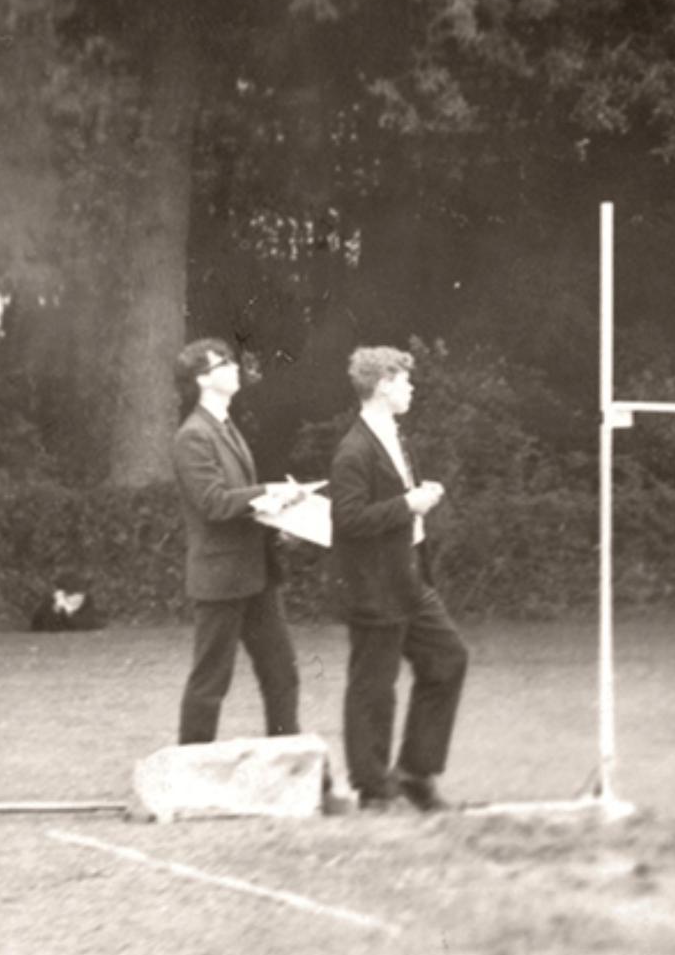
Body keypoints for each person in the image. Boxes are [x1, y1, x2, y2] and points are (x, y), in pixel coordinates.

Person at [329, 346, 468, 813]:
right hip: (373, 586)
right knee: (373, 685)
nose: (411, 388)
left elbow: (395, 500)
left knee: (448, 659)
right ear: (383, 384)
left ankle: (414, 772)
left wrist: (418, 497)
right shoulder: (354, 449)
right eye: (405, 381)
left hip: (409, 579)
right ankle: (372, 788)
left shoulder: (395, 436)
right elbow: (347, 520)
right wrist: (408, 505)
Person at [172, 338, 307, 745]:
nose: (235, 368)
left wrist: (279, 517)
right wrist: (269, 492)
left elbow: (241, 503)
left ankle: (287, 768)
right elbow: (213, 503)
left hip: (256, 575)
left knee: (282, 674)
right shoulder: (193, 436)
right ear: (201, 380)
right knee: (211, 682)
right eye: (223, 364)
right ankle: (188, 776)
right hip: (221, 579)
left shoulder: (226, 428)